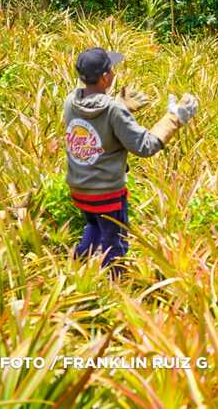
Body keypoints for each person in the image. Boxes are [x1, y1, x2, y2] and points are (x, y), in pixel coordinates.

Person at [63, 47, 198, 274]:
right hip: (106, 193)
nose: (114, 73)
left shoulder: (71, 101)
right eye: (111, 69)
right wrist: (175, 118)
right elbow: (145, 146)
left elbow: (96, 121)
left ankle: (76, 268)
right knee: (114, 243)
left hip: (80, 188)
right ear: (105, 77)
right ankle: (112, 287)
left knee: (94, 227)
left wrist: (119, 106)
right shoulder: (113, 111)